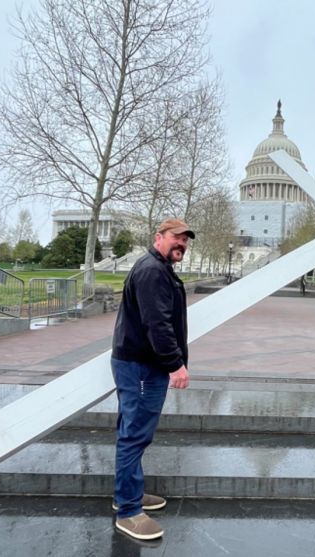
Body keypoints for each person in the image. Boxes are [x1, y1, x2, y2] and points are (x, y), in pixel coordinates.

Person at [111, 218, 194, 541]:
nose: (182, 244)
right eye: (177, 238)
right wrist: (176, 365)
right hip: (142, 365)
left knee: (134, 431)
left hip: (143, 363)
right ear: (159, 237)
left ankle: (126, 493)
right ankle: (129, 510)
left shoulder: (159, 268)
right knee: (134, 433)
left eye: (186, 241)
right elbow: (156, 324)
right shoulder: (152, 271)